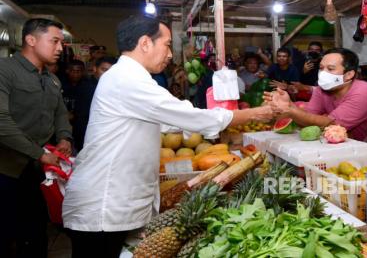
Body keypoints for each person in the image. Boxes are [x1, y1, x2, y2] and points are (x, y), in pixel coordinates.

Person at [62, 15, 273, 257]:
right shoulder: (127, 79)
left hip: (116, 200)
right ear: (145, 43)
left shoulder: (131, 77)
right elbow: (188, 116)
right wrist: (256, 114)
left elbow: (167, 122)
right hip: (105, 203)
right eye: (167, 44)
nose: (171, 54)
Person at [0, 18, 73, 258]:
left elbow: (60, 113)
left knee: (35, 230)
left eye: (61, 42)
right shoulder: (5, 71)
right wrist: (40, 153)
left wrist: (65, 138)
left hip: (38, 170)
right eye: (54, 41)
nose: (60, 48)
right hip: (6, 168)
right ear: (31, 40)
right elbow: (2, 122)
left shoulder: (51, 80)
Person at [265, 48, 367, 141]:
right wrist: (287, 105)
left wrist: (291, 110)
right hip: (351, 145)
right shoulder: (322, 89)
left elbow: (332, 124)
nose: (323, 73)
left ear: (349, 75)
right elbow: (308, 118)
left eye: (330, 69)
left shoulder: (364, 91)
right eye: (321, 68)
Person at [73, 56, 117, 151]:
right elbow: (82, 118)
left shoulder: (113, 88)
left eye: (111, 71)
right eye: (104, 70)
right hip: (87, 138)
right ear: (94, 69)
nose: (107, 74)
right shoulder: (87, 88)